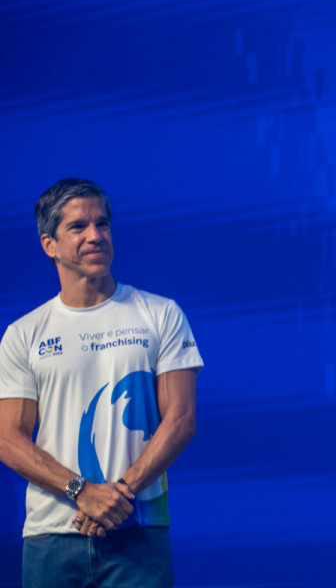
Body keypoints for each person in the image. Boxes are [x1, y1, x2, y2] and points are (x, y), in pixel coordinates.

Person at [0, 179, 204, 587]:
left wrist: (117, 495)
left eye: (103, 224)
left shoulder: (160, 314)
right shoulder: (25, 334)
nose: (96, 236)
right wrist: (81, 491)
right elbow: (8, 437)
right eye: (78, 227)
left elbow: (181, 420)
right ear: (49, 244)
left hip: (138, 533)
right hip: (51, 537)